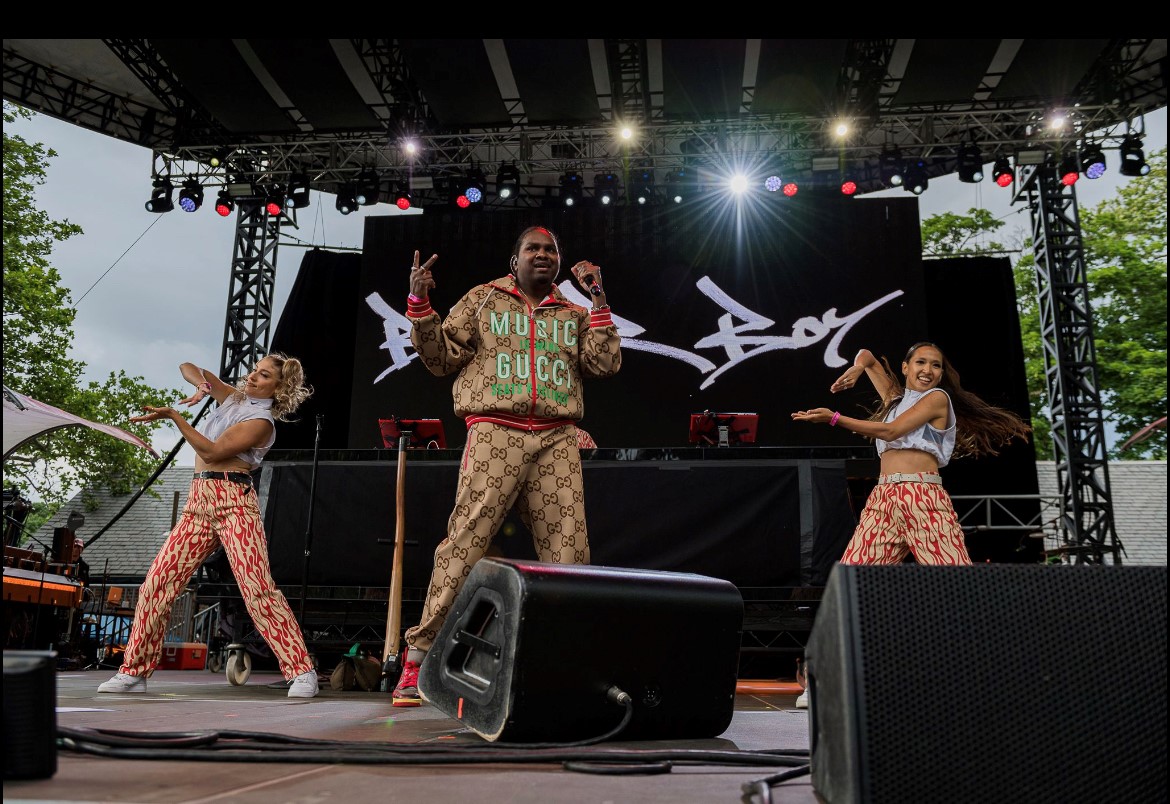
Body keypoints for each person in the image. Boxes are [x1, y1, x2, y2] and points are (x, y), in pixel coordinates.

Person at [393, 225, 622, 706]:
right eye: (533, 249)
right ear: (514, 260)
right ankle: (419, 659)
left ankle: (565, 664)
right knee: (467, 539)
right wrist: (419, 306)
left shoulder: (574, 313)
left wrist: (599, 300)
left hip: (557, 436)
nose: (543, 254)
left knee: (570, 551)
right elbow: (441, 360)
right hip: (496, 429)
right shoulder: (483, 299)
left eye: (551, 249)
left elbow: (604, 366)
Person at [789, 342, 1031, 708]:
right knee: (850, 588)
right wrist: (857, 369)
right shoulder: (895, 398)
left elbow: (890, 433)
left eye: (936, 364)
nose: (928, 369)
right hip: (883, 501)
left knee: (956, 587)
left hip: (922, 498)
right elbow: (867, 354)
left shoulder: (936, 400)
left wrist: (833, 419)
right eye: (921, 362)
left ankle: (993, 676)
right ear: (904, 366)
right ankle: (821, 681)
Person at [98, 354, 320, 698]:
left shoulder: (262, 421)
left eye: (263, 376)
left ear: (277, 387)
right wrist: (202, 384)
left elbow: (214, 452)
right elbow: (189, 367)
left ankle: (301, 670)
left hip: (235, 503)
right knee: (157, 583)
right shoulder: (233, 397)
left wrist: (175, 416)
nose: (253, 377)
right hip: (199, 502)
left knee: (257, 590)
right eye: (254, 370)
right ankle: (134, 671)